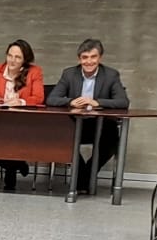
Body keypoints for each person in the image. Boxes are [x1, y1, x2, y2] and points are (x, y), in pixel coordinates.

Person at [46, 40, 131, 195]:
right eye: (85, 57)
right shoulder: (69, 73)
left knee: (112, 139)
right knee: (60, 136)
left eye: (93, 57)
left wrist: (97, 102)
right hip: (75, 123)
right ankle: (84, 179)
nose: (89, 61)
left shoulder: (111, 75)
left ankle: (83, 178)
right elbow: (51, 99)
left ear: (100, 58)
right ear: (79, 59)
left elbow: (123, 102)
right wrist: (71, 101)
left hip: (101, 124)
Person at [0, 39, 45, 192]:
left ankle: (12, 169)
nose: (12, 61)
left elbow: (39, 98)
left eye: (17, 57)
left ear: (25, 60)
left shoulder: (34, 72)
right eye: (10, 56)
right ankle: (17, 164)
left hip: (22, 121)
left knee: (10, 138)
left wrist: (20, 101)